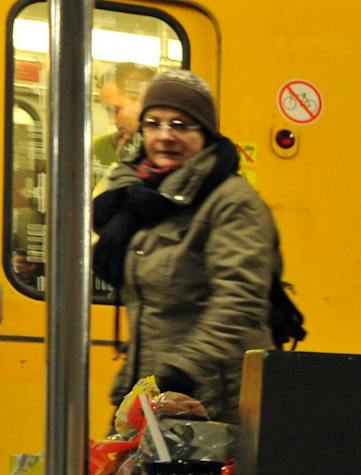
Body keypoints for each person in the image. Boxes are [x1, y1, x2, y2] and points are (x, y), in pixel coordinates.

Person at [93, 70, 284, 423]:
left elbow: (238, 302)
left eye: (181, 124)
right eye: (154, 123)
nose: (165, 136)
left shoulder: (231, 203)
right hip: (155, 395)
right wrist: (132, 385)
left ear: (206, 134)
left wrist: (179, 374)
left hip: (210, 403)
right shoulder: (143, 202)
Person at [92, 62, 153, 181]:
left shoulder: (165, 151)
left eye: (116, 110)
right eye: (108, 110)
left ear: (140, 100)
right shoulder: (101, 148)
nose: (112, 119)